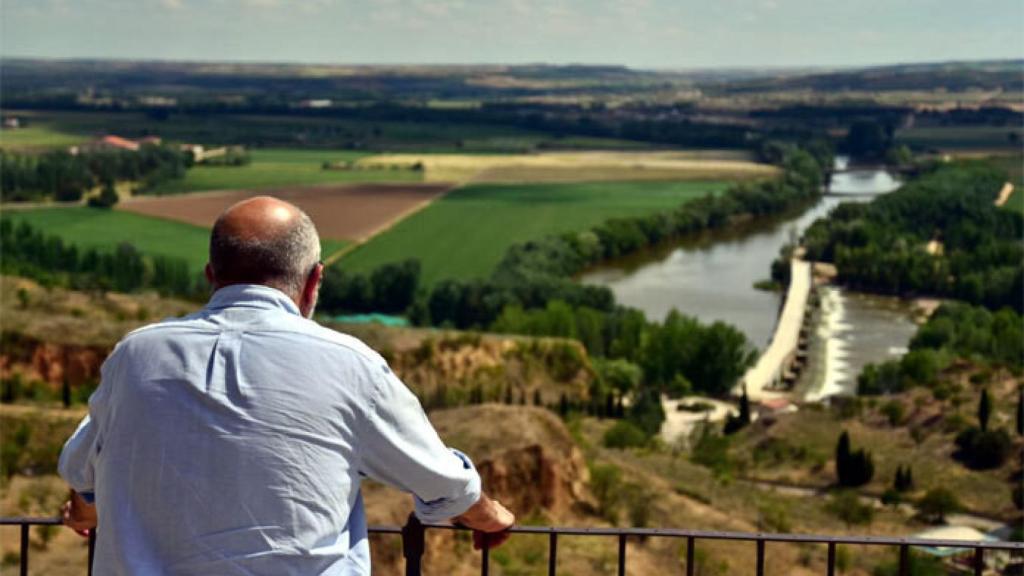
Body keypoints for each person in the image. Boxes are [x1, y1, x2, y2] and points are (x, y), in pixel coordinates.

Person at [59, 196, 514, 574]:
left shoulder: (135, 356)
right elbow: (443, 485)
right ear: (314, 281)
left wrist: (86, 509)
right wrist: (487, 514)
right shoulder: (351, 366)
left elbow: (84, 471)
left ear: (211, 276)